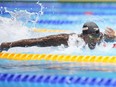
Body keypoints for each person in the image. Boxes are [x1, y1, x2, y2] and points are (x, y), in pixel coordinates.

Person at [0, 22, 115, 52]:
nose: (95, 39)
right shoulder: (66, 40)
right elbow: (34, 41)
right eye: (91, 37)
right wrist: (9, 45)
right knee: (38, 43)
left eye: (96, 36)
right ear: (84, 36)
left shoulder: (100, 37)